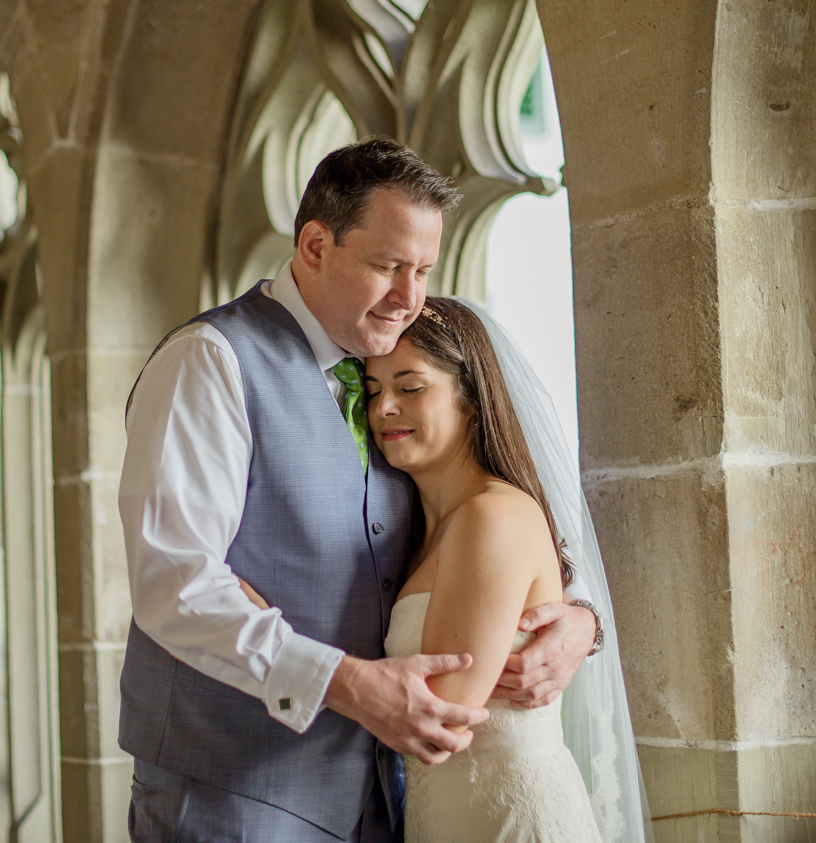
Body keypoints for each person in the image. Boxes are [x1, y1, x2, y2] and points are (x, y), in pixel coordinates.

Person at [117, 138, 600, 842]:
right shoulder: (210, 362)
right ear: (316, 245)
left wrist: (580, 616)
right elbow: (174, 579)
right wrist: (345, 682)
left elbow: (486, 515)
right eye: (387, 266)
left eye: (425, 271)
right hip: (231, 797)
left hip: (379, 805)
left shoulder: (391, 391)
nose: (410, 298)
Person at [366, 297, 652, 842]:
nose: (384, 409)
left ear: (470, 398)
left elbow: (443, 715)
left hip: (513, 821)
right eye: (374, 390)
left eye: (411, 387)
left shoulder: (491, 514)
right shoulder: (423, 530)